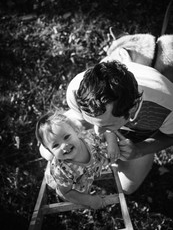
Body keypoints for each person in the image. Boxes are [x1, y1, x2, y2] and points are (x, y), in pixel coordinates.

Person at [65, 60, 173, 194]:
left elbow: (170, 137)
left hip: (140, 135)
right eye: (94, 122)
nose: (98, 132)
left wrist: (139, 150)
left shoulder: (167, 106)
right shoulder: (76, 90)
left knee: (125, 188)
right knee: (47, 149)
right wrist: (106, 133)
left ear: (133, 108)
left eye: (107, 124)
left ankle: (144, 157)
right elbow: (96, 126)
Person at [36, 110, 118, 209]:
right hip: (63, 183)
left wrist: (112, 144)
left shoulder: (89, 138)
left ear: (76, 131)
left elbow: (107, 131)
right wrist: (90, 200)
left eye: (66, 137)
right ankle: (54, 182)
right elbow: (67, 192)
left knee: (86, 179)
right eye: (56, 145)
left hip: (85, 172)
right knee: (76, 195)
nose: (64, 146)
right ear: (50, 150)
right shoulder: (62, 170)